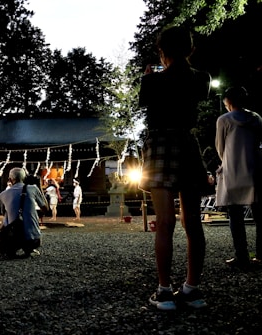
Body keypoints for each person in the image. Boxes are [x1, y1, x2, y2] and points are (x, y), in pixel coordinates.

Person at [138, 25, 212, 310]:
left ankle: (165, 290)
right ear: (191, 50)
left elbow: (148, 104)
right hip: (187, 143)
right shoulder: (202, 79)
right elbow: (195, 95)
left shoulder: (152, 81)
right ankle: (192, 289)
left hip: (159, 145)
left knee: (165, 222)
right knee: (192, 222)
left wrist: (150, 78)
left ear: (161, 51)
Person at [215, 86, 262, 270]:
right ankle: (260, 256)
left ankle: (241, 256)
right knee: (259, 215)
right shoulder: (256, 118)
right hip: (255, 169)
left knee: (235, 215)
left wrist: (227, 160)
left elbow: (220, 147)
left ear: (229, 102)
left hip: (233, 171)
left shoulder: (224, 120)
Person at [0, 167, 48, 258]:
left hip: (13, 237)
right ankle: (30, 248)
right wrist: (39, 187)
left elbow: (4, 214)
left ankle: (10, 247)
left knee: (5, 219)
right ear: (25, 178)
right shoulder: (33, 188)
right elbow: (45, 209)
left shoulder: (2, 195)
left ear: (10, 179)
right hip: (32, 238)